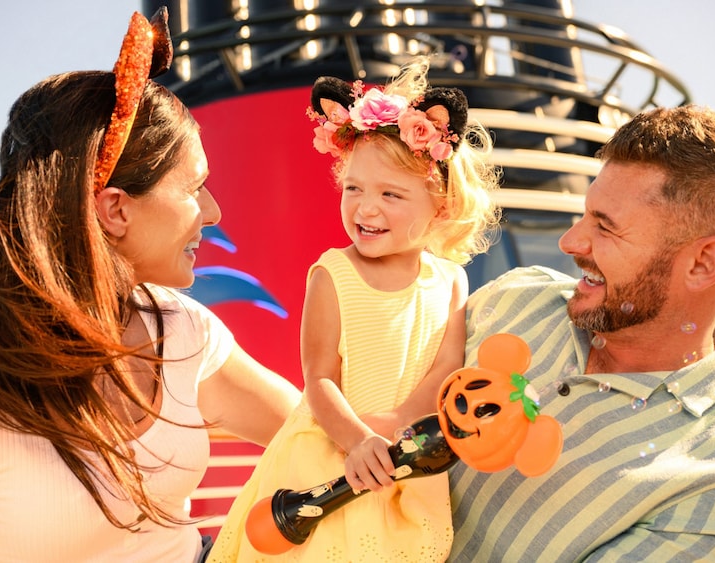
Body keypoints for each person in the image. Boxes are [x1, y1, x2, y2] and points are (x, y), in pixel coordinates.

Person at [0, 10, 300, 563]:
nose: (214, 212)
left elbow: (315, 434)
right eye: (196, 188)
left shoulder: (182, 330)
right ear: (115, 210)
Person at [447, 105, 715, 561]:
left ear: (703, 263)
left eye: (605, 227)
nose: (571, 242)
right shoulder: (517, 297)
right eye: (585, 214)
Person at [209, 59, 500, 562]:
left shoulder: (450, 279)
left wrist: (396, 425)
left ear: (440, 203)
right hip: (329, 453)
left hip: (403, 456)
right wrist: (359, 439)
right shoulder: (332, 274)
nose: (366, 208)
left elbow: (446, 369)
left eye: (391, 194)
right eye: (354, 189)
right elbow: (319, 377)